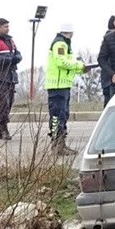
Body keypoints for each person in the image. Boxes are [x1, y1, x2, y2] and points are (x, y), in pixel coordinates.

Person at [45, 22, 88, 155]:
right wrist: (80, 65)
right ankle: (57, 145)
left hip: (62, 85)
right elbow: (61, 62)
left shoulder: (63, 43)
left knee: (62, 115)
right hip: (58, 86)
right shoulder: (60, 44)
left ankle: (60, 143)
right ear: (71, 33)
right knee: (58, 115)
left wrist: (80, 69)